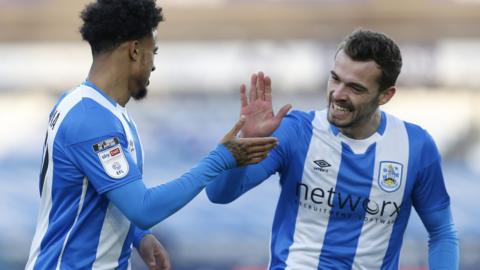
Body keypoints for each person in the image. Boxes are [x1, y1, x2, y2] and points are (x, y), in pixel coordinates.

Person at [25, 0, 278, 269]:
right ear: (135, 50)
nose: (154, 65)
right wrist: (220, 159)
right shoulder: (92, 121)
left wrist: (137, 235)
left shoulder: (86, 106)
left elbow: (85, 193)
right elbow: (144, 209)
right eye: (153, 52)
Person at [206, 29, 459, 269]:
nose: (337, 94)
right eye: (335, 79)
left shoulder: (415, 146)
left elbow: (442, 232)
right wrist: (243, 146)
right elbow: (219, 194)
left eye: (355, 88)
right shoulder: (296, 132)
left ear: (386, 95)